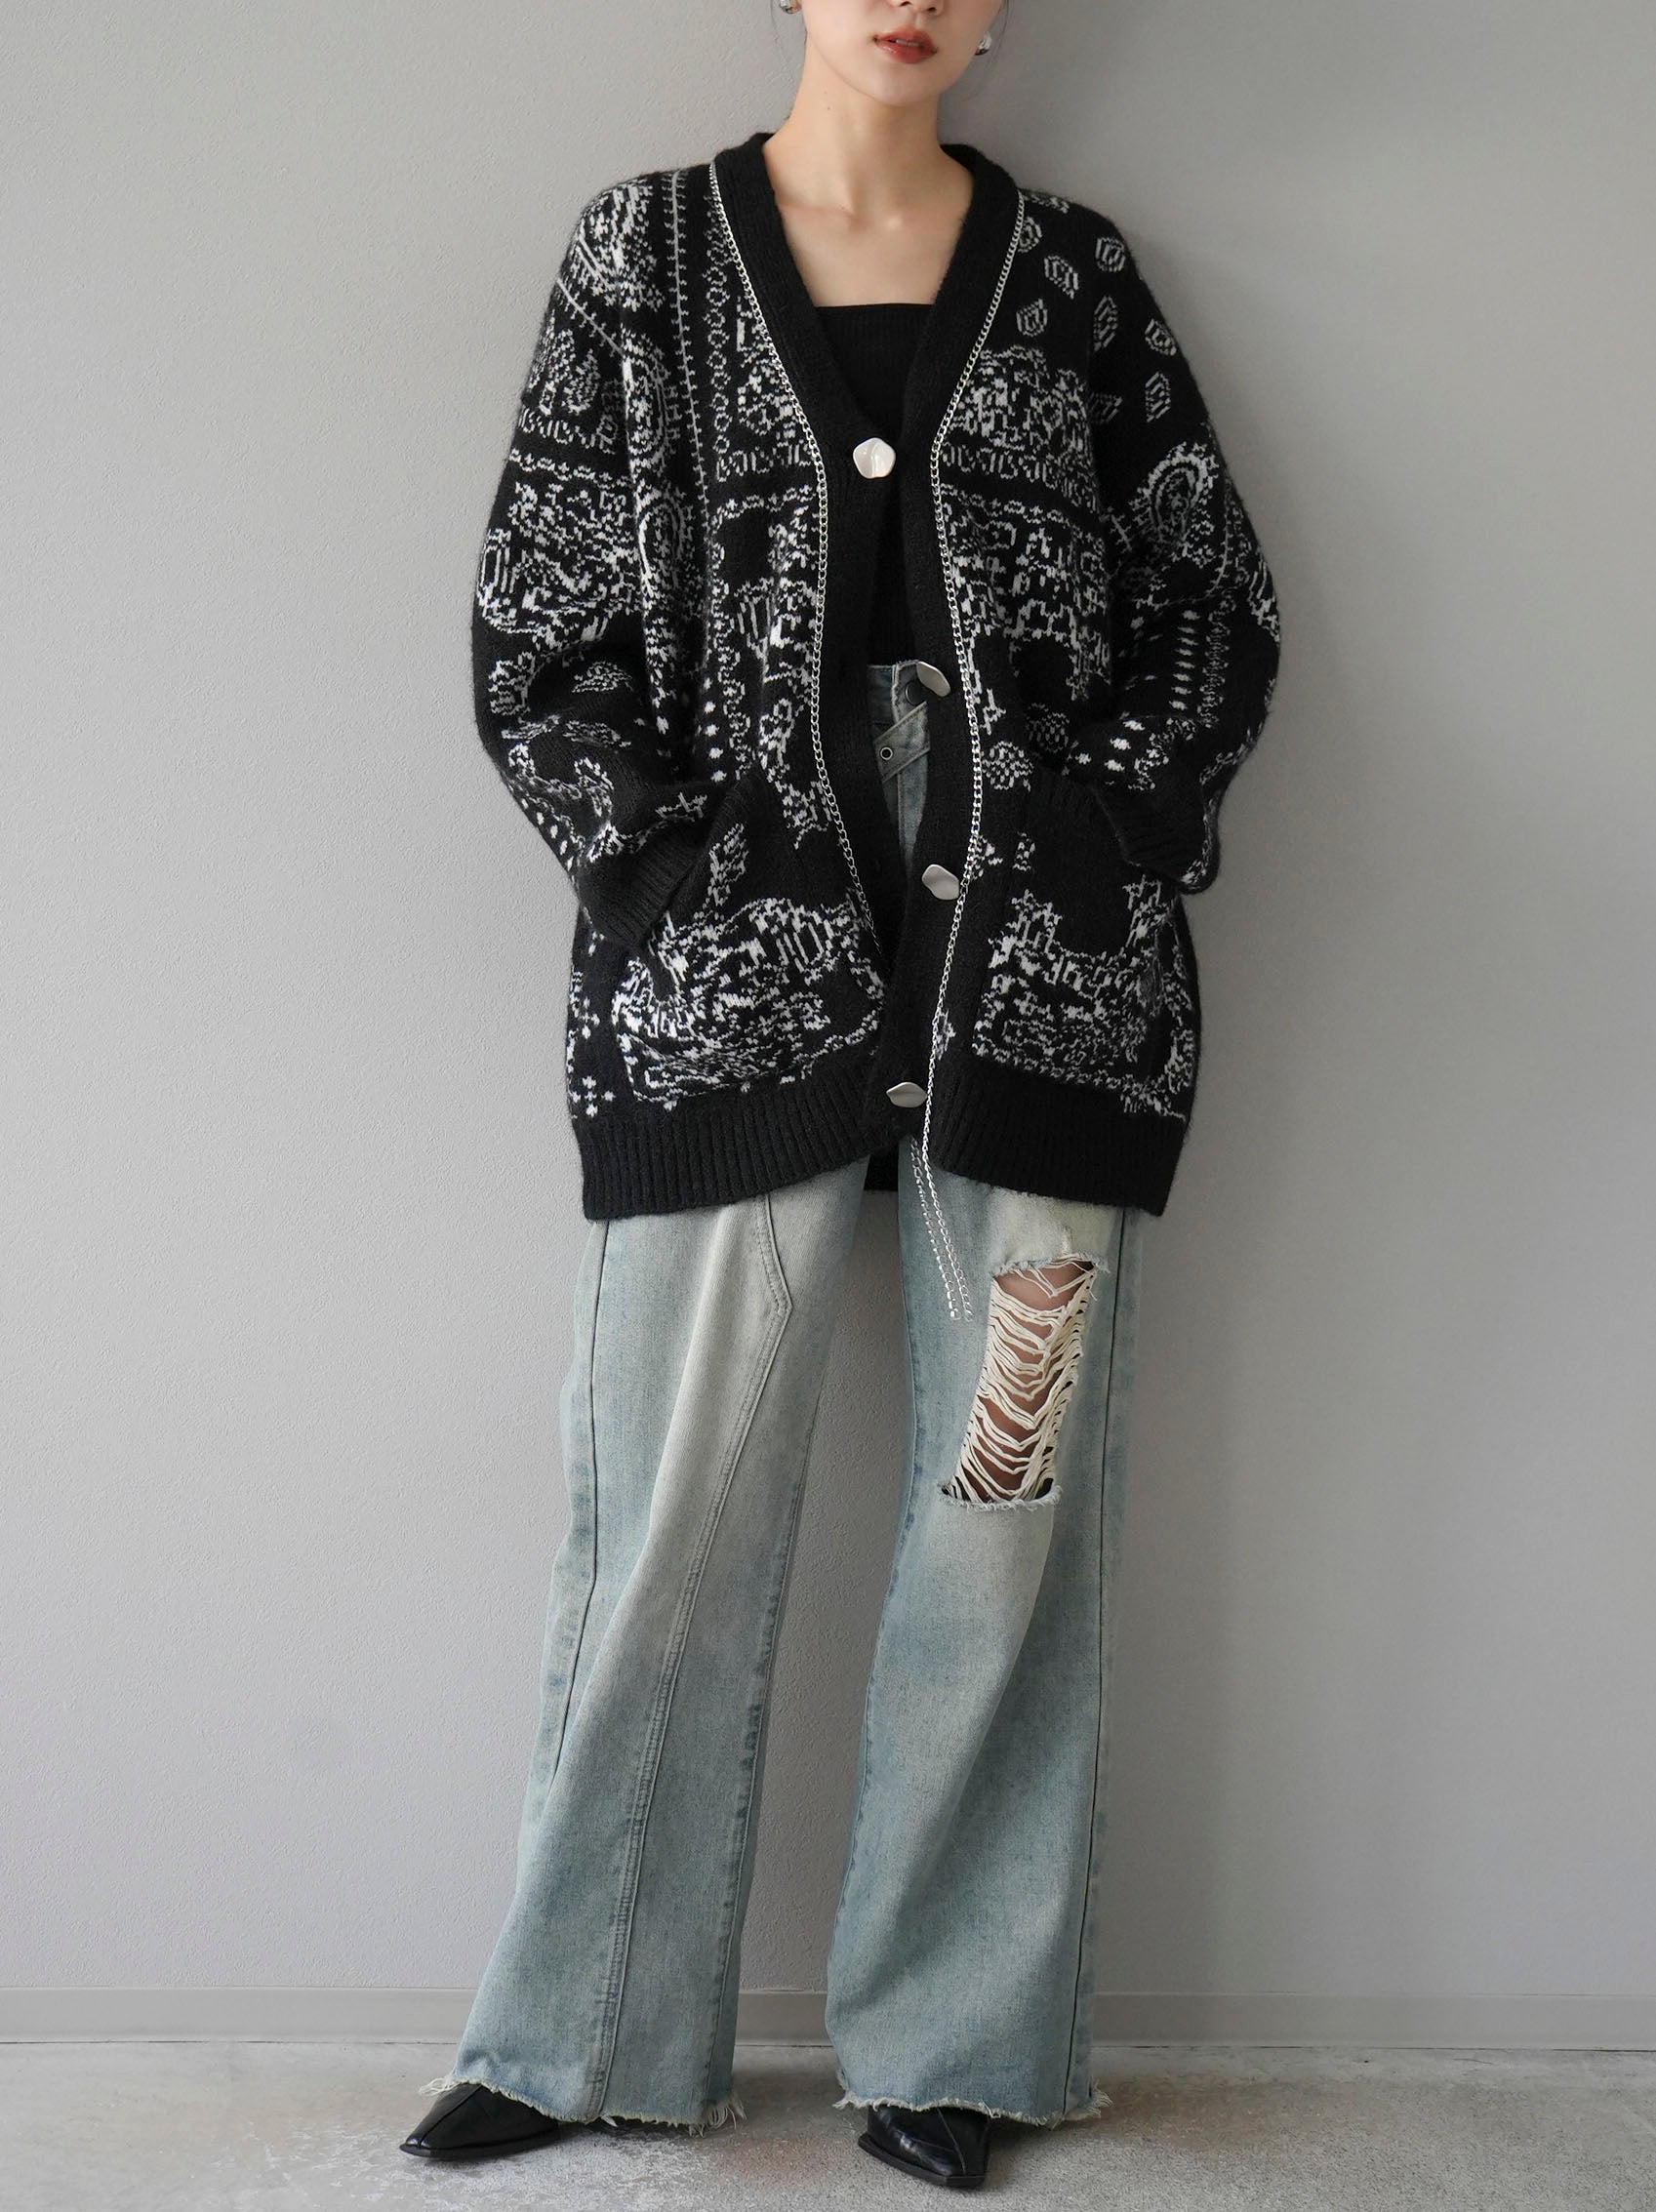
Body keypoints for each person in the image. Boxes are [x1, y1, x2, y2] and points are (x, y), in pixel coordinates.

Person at [403, 0, 1281, 2190]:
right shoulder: (642, 256)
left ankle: (956, 2049)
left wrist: (1098, 835)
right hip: (726, 991)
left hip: (1044, 998)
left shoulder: (1074, 276)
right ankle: (587, 2034)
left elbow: (1208, 601)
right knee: (664, 1528)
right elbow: (539, 632)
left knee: (1006, 1529)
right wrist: (676, 871)